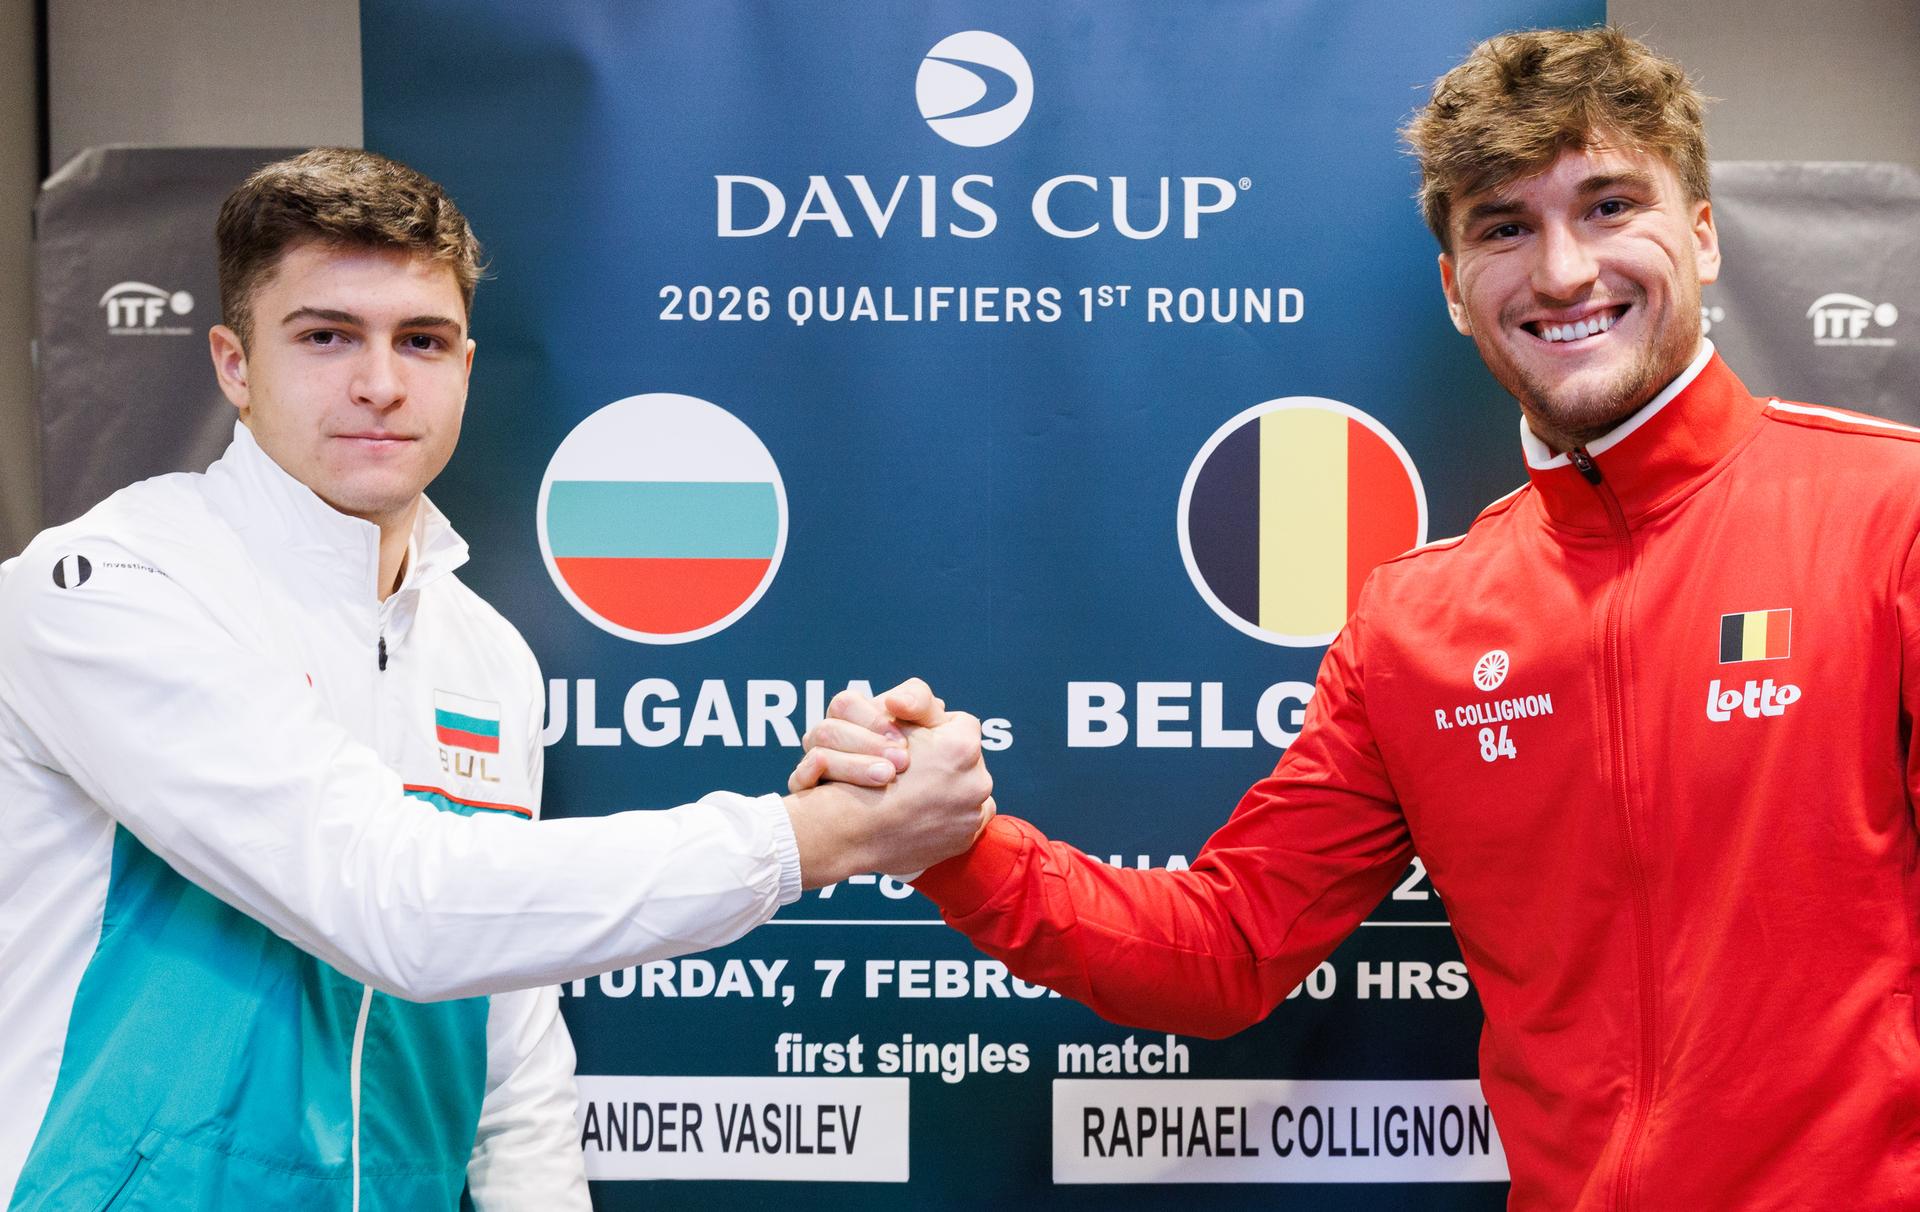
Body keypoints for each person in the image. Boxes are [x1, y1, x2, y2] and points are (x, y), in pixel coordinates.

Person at [797, 27, 1920, 1209]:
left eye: (1607, 207)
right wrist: (956, 846)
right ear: (1452, 287)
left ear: (1700, 232)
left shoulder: (1889, 514)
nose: (1562, 273)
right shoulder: (1418, 620)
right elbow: (1223, 951)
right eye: (1504, 227)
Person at [0, 149, 992, 1210]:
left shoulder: (483, 653)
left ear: (466, 365)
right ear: (235, 365)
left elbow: (512, 1045)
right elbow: (396, 906)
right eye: (326, 335)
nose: (380, 383)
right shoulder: (103, 588)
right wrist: (818, 839)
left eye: (420, 341)